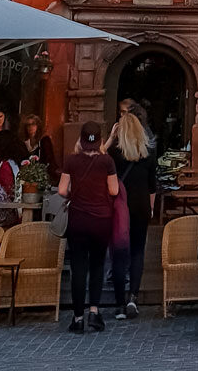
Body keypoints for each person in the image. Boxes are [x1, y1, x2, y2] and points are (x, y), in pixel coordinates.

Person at [58, 122, 119, 334]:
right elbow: (114, 190)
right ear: (100, 139)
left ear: (81, 140)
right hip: (102, 219)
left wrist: (76, 193)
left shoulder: (71, 161)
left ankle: (77, 318)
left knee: (78, 268)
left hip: (78, 219)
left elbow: (61, 190)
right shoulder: (107, 161)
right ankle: (94, 312)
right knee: (97, 265)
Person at [108, 109, 157, 319]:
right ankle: (132, 298)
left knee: (119, 252)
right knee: (137, 252)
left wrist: (110, 138)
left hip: (120, 208)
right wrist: (152, 208)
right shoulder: (147, 152)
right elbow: (152, 185)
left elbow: (96, 158)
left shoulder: (115, 153)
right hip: (141, 206)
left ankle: (119, 303)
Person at [21, 114, 60, 181]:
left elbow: (49, 159)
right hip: (28, 176)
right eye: (28, 125)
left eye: (33, 124)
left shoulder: (44, 140)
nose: (31, 127)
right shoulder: (24, 143)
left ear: (38, 126)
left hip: (43, 175)